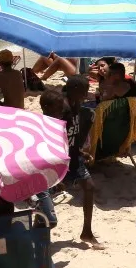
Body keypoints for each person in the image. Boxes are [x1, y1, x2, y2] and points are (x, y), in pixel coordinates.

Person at [40, 80, 102, 248]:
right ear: (73, 89)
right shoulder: (61, 108)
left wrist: (79, 150)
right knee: (46, 205)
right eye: (84, 91)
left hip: (74, 157)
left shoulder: (76, 104)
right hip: (59, 160)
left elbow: (71, 134)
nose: (85, 94)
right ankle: (38, 236)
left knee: (89, 187)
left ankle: (87, 232)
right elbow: (53, 136)